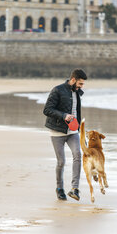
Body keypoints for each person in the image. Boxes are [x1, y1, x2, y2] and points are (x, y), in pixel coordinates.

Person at [43, 69, 87, 201]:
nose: (81, 86)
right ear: (73, 80)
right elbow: (47, 109)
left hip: (73, 132)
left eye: (83, 84)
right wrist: (64, 116)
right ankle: (59, 188)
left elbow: (76, 112)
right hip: (57, 131)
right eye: (80, 83)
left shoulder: (77, 92)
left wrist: (78, 128)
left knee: (78, 154)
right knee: (61, 162)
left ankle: (75, 189)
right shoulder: (57, 90)